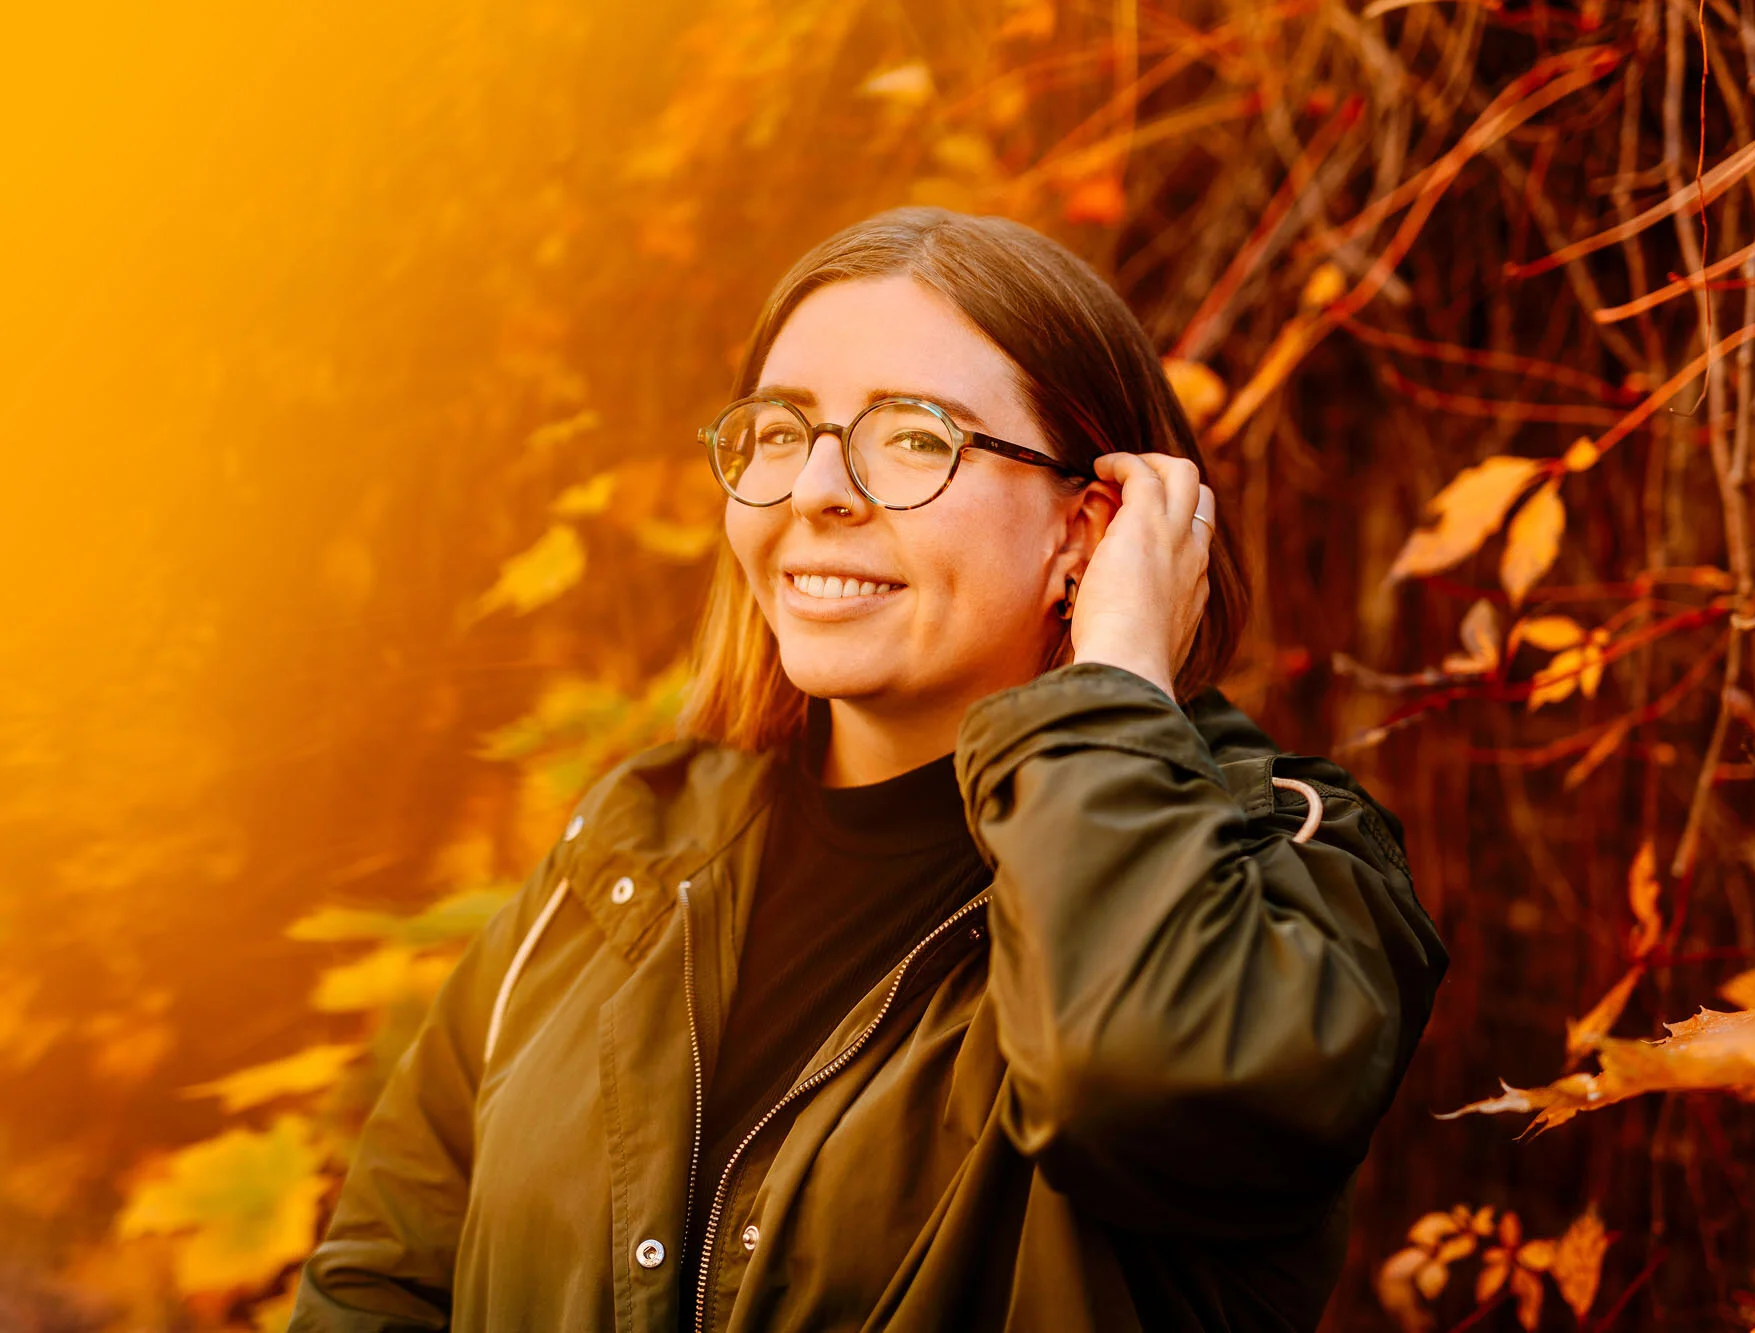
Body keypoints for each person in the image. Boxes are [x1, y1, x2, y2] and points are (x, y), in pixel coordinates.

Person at [289, 206, 1448, 1332]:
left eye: (913, 437)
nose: (813, 492)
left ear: (1088, 526)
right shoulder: (631, 853)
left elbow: (1141, 1091)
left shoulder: (1286, 862)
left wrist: (1117, 685)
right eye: (783, 432)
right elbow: (385, 1274)